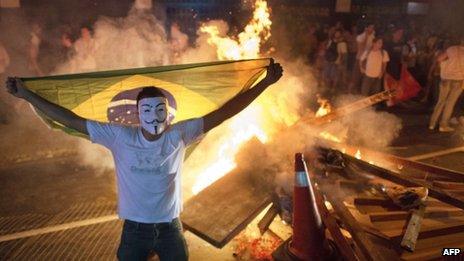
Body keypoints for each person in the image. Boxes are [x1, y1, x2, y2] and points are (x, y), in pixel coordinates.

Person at [5, 59, 283, 260]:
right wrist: (26, 94)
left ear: (168, 112)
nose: (154, 117)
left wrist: (265, 84)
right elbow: (70, 119)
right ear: (138, 114)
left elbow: (227, 111)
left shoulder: (179, 133)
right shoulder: (119, 136)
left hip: (171, 228)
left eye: (160, 110)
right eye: (147, 111)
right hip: (135, 231)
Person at [429, 36, 464, 132]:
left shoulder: (451, 49)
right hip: (459, 80)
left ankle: (432, 123)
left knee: (441, 101)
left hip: (446, 78)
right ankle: (443, 125)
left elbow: (439, 59)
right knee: (450, 103)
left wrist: (447, 64)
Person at [349, 23, 375, 93]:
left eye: (373, 28)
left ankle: (358, 91)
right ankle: (349, 92)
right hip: (359, 59)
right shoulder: (360, 37)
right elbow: (362, 48)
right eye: (370, 28)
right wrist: (366, 36)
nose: (372, 29)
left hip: (367, 60)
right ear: (366, 28)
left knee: (363, 77)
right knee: (355, 76)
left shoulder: (372, 37)